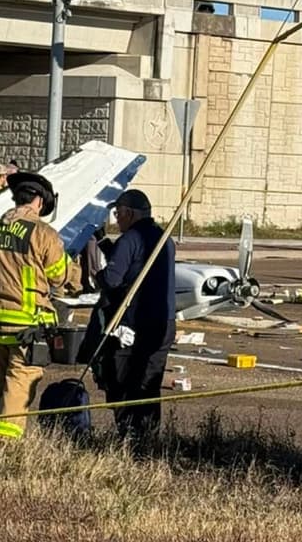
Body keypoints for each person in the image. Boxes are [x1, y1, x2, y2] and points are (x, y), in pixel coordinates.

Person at [0, 172, 79, 440]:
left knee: (0, 384)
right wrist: (78, 276)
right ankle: (5, 445)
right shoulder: (43, 233)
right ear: (40, 202)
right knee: (20, 383)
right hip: (26, 326)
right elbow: (59, 275)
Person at [86, 188, 176, 441]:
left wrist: (97, 277)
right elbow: (137, 266)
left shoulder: (130, 239)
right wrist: (106, 245)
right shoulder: (163, 238)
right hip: (164, 323)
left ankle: (128, 435)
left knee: (123, 379)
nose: (117, 219)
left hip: (134, 325)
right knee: (149, 382)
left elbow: (113, 279)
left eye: (117, 214)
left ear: (128, 212)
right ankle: (149, 436)